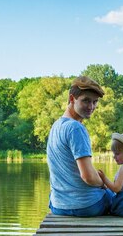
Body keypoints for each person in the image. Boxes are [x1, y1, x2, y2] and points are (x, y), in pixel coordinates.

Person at [46, 75, 111, 217]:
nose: (91, 107)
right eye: (86, 100)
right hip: (86, 206)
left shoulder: (56, 126)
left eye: (95, 102)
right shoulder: (76, 128)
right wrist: (103, 184)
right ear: (71, 99)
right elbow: (88, 176)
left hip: (58, 206)